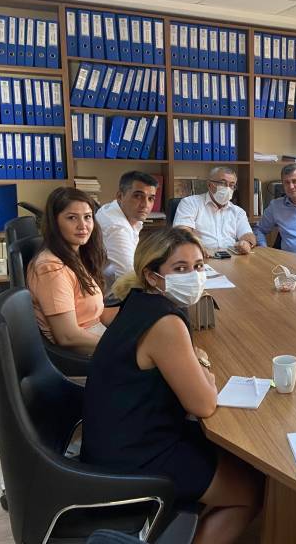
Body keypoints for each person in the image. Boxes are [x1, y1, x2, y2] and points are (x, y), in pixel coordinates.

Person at [81, 227, 263, 544]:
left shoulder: (138, 300)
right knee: (249, 492)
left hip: (112, 438)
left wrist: (193, 359)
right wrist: (203, 368)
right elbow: (204, 404)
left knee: (234, 458)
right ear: (152, 276)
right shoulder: (165, 323)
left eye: (198, 266)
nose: (193, 276)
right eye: (180, 269)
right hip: (135, 456)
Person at [27, 187, 117, 354]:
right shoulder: (51, 268)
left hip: (98, 339)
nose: (83, 226)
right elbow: (68, 337)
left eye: (87, 217)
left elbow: (95, 314)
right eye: (72, 218)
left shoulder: (74, 256)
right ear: (54, 223)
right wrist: (122, 348)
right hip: (83, 355)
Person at [173, 166, 256, 255]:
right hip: (200, 255)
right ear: (209, 184)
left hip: (231, 257)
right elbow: (182, 232)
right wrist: (198, 246)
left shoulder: (238, 211)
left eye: (231, 185)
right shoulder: (190, 203)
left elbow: (248, 234)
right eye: (223, 183)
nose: (228, 188)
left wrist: (246, 243)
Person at [95, 171, 158, 287]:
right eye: (138, 196)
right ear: (120, 196)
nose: (145, 205)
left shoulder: (115, 210)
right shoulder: (116, 228)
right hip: (112, 294)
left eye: (150, 198)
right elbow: (130, 278)